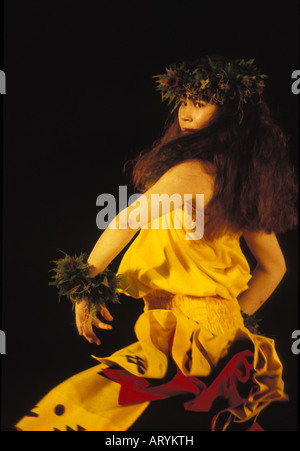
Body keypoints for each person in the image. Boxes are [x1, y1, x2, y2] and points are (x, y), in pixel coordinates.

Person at [16, 55, 298, 431]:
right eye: (184, 102)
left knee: (79, 410)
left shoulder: (194, 172)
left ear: (232, 114)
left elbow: (125, 221)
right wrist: (233, 321)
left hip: (191, 337)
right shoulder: (236, 181)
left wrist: (86, 287)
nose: (186, 112)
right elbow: (274, 267)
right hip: (216, 339)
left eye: (201, 103)